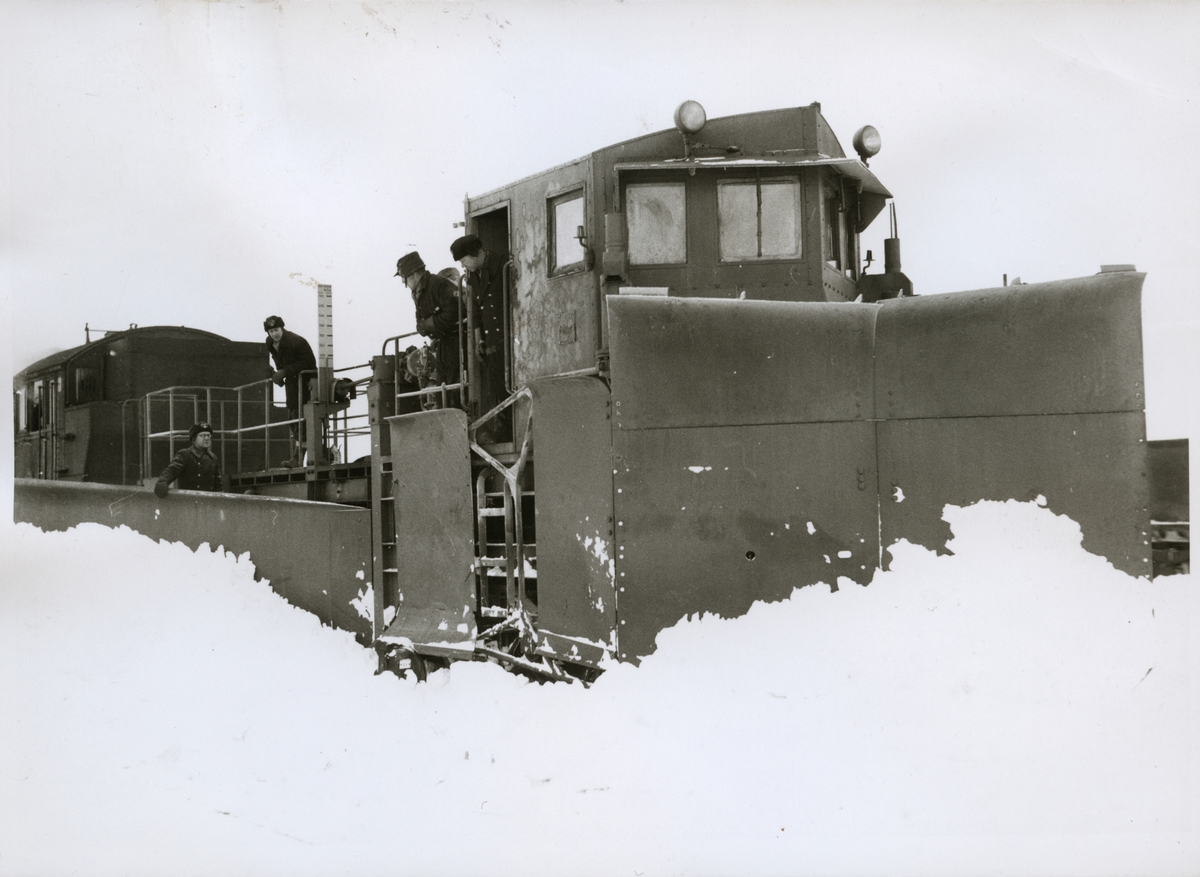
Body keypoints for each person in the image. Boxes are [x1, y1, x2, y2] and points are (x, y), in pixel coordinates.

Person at [450, 234, 510, 441]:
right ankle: (503, 430)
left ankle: (506, 431)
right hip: (491, 339)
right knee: (497, 387)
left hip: (508, 336)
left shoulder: (503, 264)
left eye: (464, 259)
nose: (463, 265)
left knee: (508, 386)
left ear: (476, 254)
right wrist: (478, 340)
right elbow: (475, 310)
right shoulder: (474, 276)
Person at [395, 251, 461, 406]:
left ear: (412, 275)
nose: (404, 284)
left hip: (457, 339)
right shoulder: (420, 291)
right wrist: (424, 327)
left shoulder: (437, 285)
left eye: (404, 279)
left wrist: (427, 325)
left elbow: (454, 312)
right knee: (443, 389)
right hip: (443, 342)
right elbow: (421, 321)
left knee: (453, 387)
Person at [263, 315, 316, 467]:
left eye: (277, 330)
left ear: (282, 328)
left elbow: (309, 363)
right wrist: (277, 372)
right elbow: (278, 358)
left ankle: (298, 457)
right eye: (271, 331)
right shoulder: (270, 343)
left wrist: (285, 371)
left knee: (301, 419)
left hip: (306, 383)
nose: (275, 334)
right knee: (293, 419)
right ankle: (298, 456)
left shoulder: (296, 341)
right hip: (292, 384)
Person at [154, 421, 221, 497]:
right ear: (194, 438)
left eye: (208, 435)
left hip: (208, 503)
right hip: (188, 501)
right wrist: (163, 481)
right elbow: (172, 470)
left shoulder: (213, 458)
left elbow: (217, 485)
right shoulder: (185, 455)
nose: (206, 438)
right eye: (202, 435)